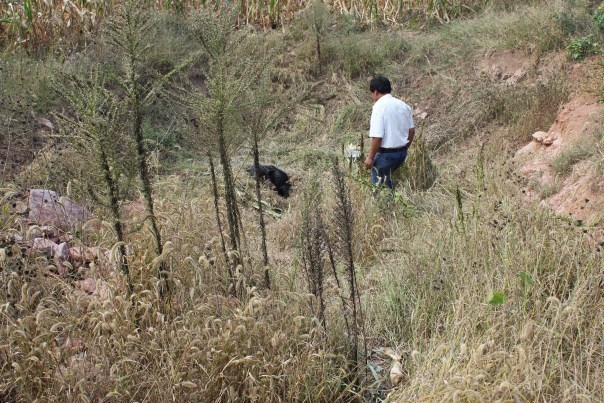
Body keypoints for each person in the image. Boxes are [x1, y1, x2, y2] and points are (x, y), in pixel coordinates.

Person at [364, 76, 415, 190]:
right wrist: (405, 147)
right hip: (402, 153)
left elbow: (377, 137)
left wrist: (370, 157)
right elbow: (411, 131)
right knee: (388, 180)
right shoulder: (403, 105)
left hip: (387, 155)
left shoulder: (379, 107)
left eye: (372, 93)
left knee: (381, 186)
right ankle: (395, 203)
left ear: (375, 92)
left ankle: (388, 207)